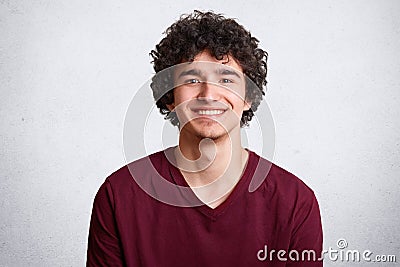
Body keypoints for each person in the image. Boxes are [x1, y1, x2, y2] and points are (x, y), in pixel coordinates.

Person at [87, 10, 323, 266]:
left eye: (226, 79)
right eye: (192, 79)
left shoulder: (296, 202)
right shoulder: (118, 195)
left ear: (248, 98)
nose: (209, 93)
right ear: (169, 98)